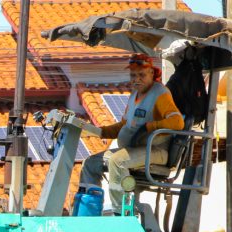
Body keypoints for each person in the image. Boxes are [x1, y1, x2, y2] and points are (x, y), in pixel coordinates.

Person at [78, 53, 184, 213]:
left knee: (116, 161)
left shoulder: (160, 94)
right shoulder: (135, 95)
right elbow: (123, 125)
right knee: (91, 163)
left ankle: (120, 211)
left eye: (141, 75)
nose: (136, 79)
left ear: (152, 73)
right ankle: (89, 209)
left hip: (155, 151)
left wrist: (149, 127)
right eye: (133, 75)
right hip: (133, 150)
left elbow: (178, 122)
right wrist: (97, 132)